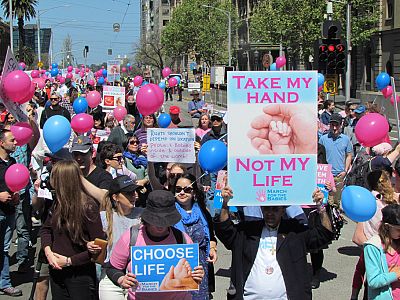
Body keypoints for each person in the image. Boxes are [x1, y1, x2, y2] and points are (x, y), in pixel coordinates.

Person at [214, 186, 334, 299]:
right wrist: (225, 204)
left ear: (283, 211)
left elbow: (324, 235)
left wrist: (321, 207)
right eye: (266, 208)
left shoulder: (295, 233)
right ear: (261, 209)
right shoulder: (247, 231)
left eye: (275, 209)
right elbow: (225, 231)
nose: (270, 213)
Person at [105, 190, 205, 300]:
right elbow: (112, 268)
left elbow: (195, 266)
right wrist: (121, 279)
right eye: (156, 220)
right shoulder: (130, 237)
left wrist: (198, 273)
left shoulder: (182, 238)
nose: (161, 226)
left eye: (165, 221)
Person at [40, 160, 105, 299]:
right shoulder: (57, 202)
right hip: (57, 271)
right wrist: (48, 251)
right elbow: (46, 229)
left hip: (80, 275)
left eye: (53, 176)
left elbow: (99, 247)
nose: (50, 179)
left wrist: (70, 261)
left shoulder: (88, 207)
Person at [90, 175, 142, 300]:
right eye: (128, 193)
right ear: (115, 197)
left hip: (139, 276)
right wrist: (91, 245)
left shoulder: (144, 215)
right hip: (110, 275)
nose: (133, 195)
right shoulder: (103, 217)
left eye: (134, 191)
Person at [172, 174, 217, 299]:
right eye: (178, 189)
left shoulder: (203, 212)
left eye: (187, 189)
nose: (182, 192)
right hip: (176, 266)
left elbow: (211, 237)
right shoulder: (169, 213)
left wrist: (213, 248)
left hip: (199, 268)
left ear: (194, 192)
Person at [0, 128, 22, 297]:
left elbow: (16, 184)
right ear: (2, 143)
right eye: (12, 140)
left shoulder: (13, 162)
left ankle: (4, 282)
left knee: (5, 248)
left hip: (9, 212)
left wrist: (15, 196)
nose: (15, 143)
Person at [364, 204, 400, 300]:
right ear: (387, 226)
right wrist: (395, 274)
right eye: (398, 229)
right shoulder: (373, 246)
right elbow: (373, 281)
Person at [319, 113, 353, 208]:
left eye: (336, 125)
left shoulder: (346, 139)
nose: (334, 128)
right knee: (325, 201)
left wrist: (345, 170)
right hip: (326, 175)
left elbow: (349, 155)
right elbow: (319, 156)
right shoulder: (323, 139)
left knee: (336, 202)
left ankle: (336, 219)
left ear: (341, 125)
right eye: (332, 125)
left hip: (339, 175)